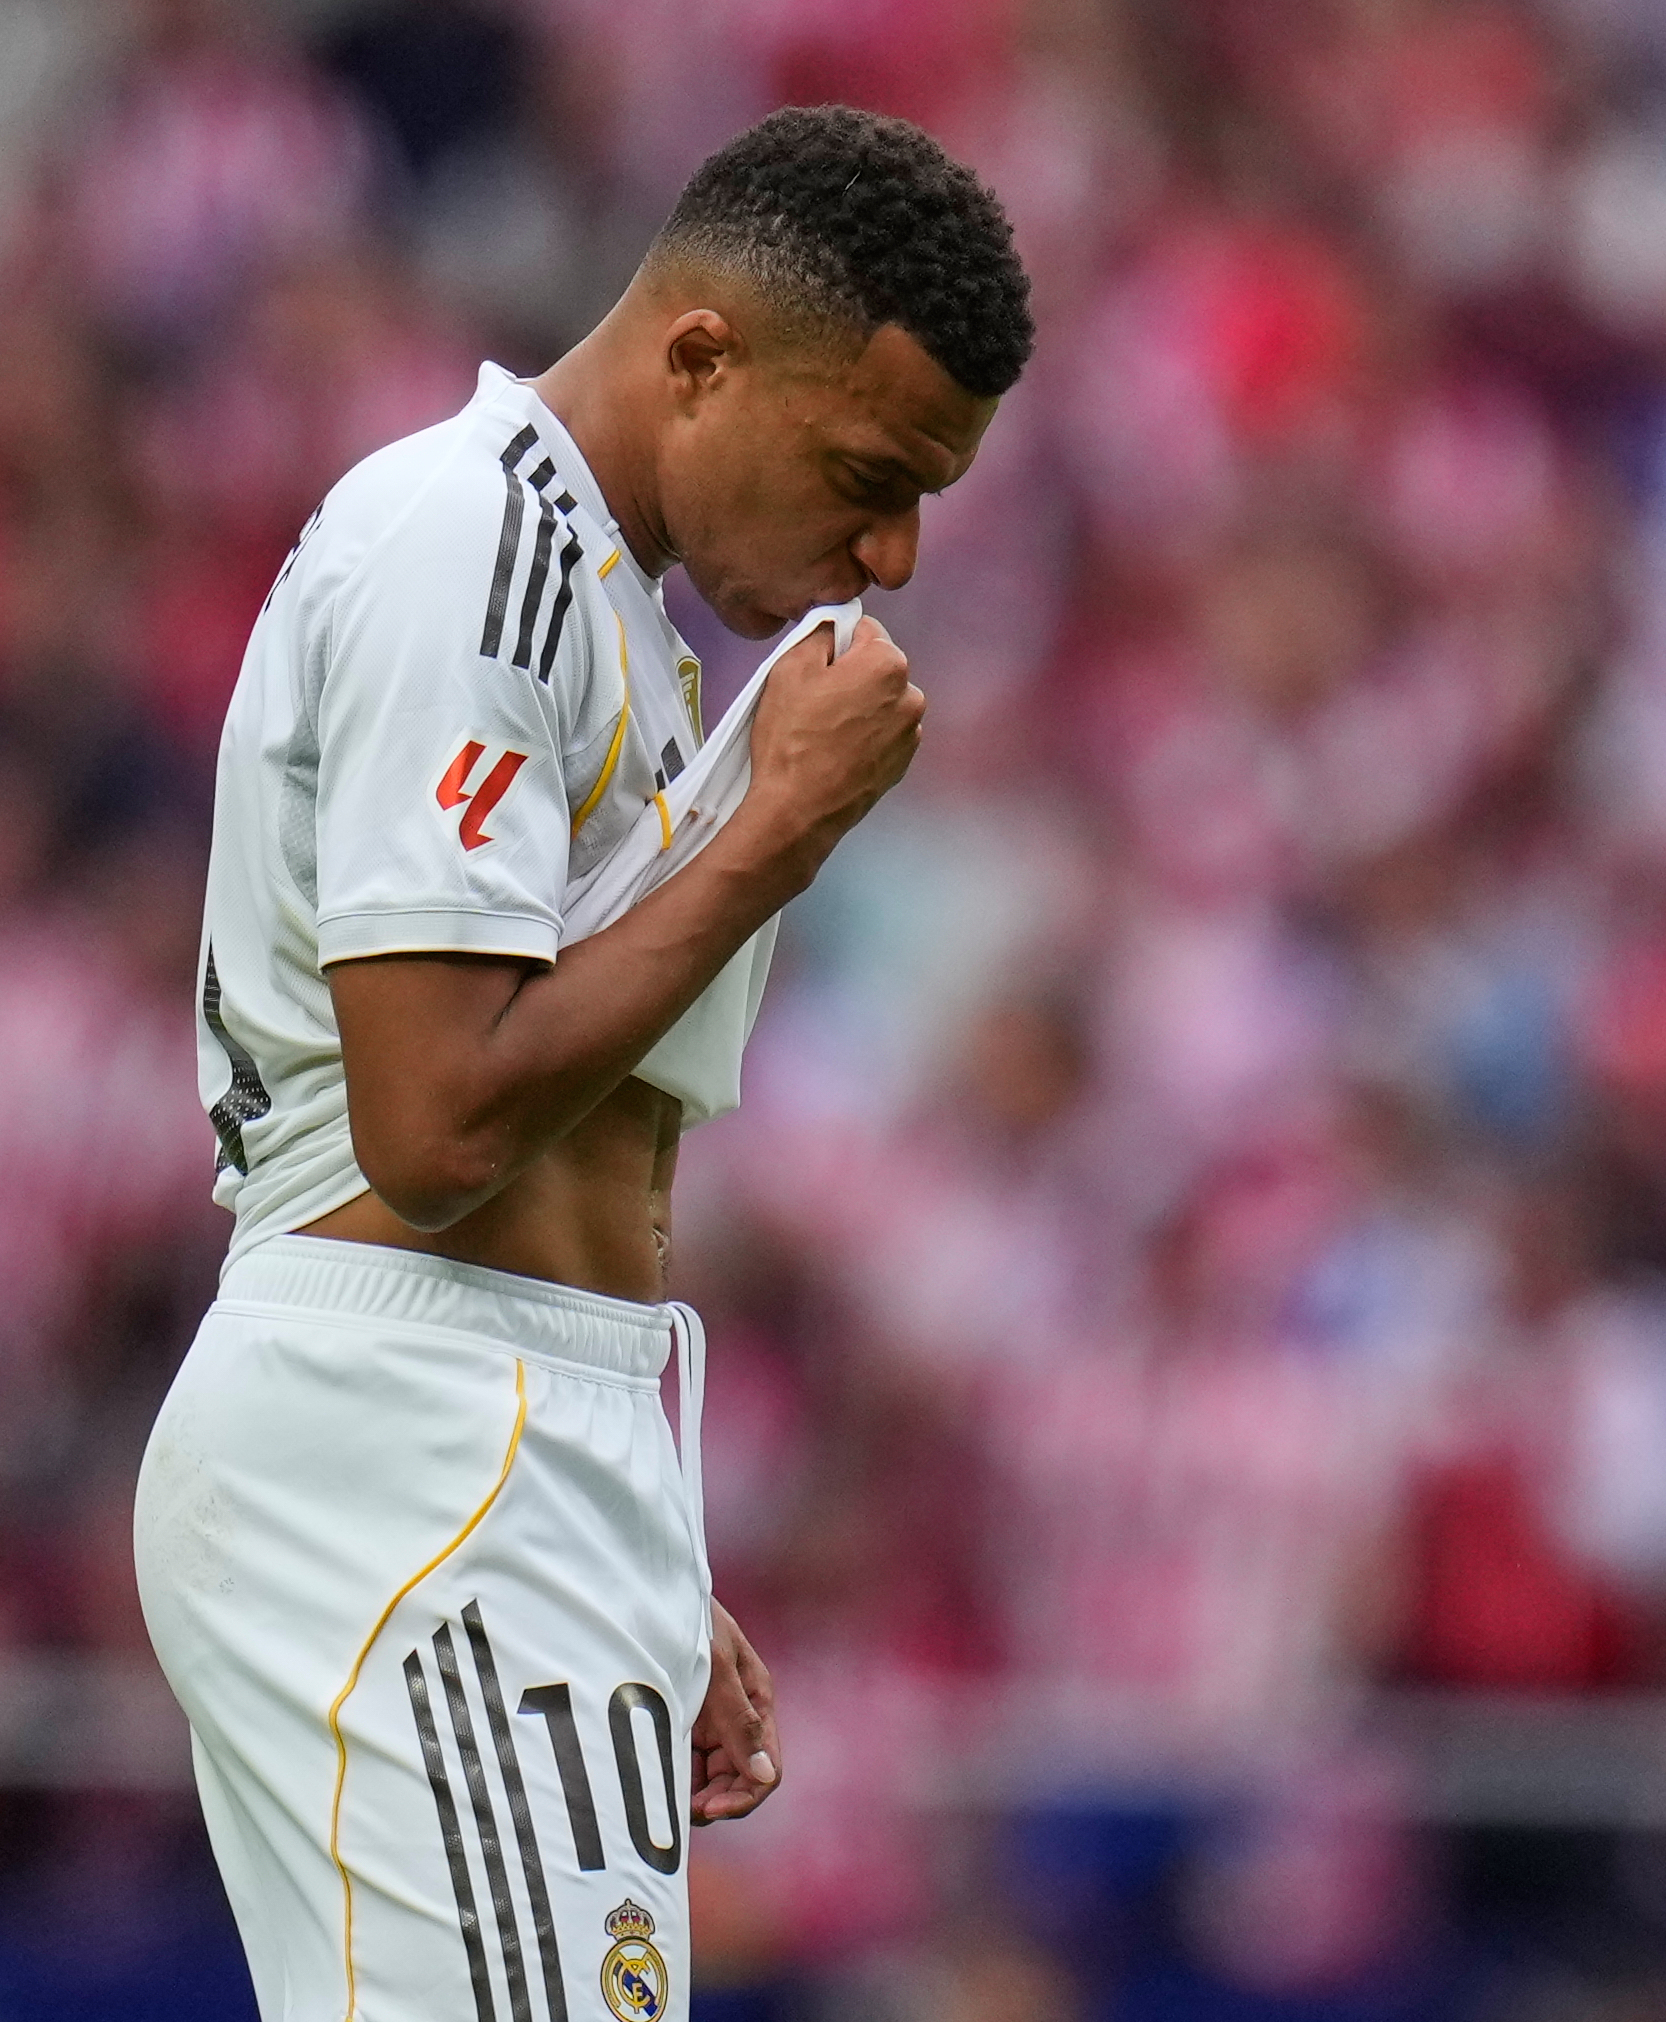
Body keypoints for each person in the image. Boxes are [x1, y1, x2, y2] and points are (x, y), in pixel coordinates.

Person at [131, 105, 1033, 2022]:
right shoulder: (472, 546)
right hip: (407, 1440)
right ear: (703, 355)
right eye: (869, 474)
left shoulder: (597, 600)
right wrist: (773, 829)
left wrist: (635, 1533)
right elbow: (437, 1116)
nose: (890, 552)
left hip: (505, 1440)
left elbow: (567, 1153)